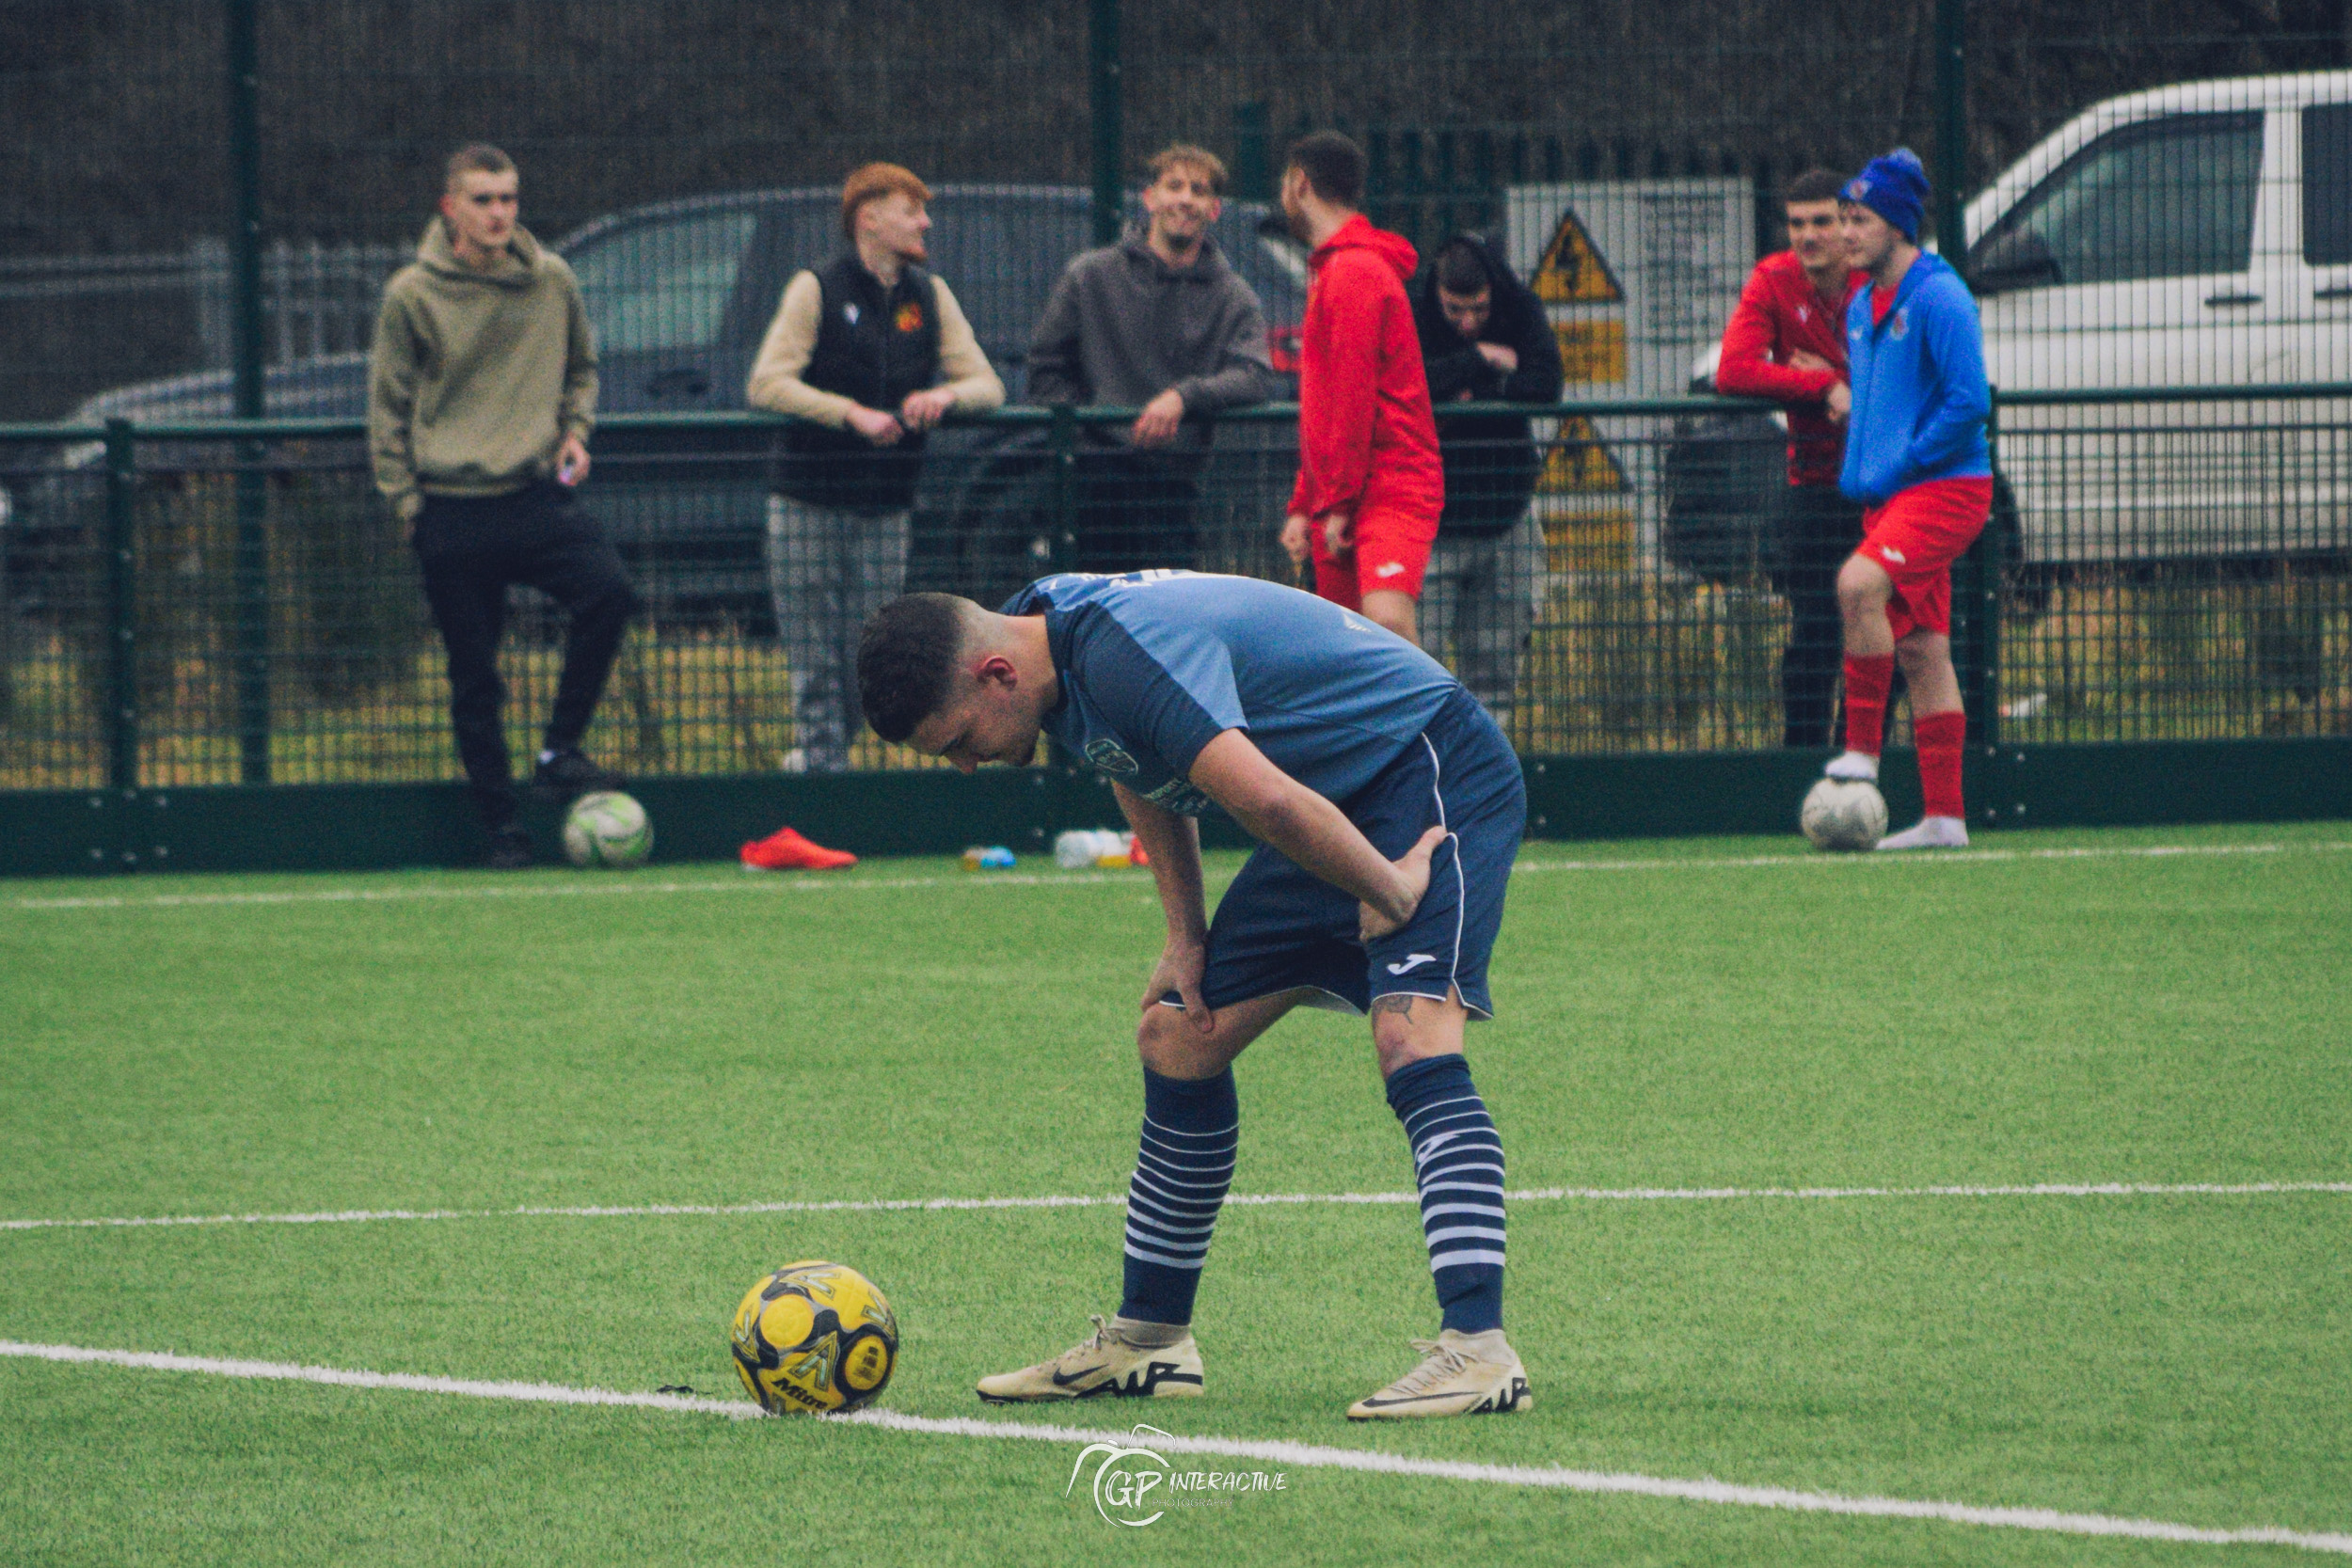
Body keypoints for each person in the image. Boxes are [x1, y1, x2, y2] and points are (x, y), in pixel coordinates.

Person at [857, 571, 1533, 1421]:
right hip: (1325, 803)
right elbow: (1136, 760)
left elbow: (1264, 797)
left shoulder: (1113, 652)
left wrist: (1394, 893)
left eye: (957, 738)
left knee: (1413, 1036)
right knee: (1178, 1035)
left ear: (995, 674)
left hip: (1424, 767)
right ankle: (1150, 1342)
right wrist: (1187, 934)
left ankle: (1479, 1349)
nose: (964, 762)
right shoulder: (1047, 640)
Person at [368, 143, 636, 869]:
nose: (500, 213)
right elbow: (387, 409)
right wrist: (407, 506)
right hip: (449, 509)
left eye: (510, 198)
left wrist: (575, 432)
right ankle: (503, 830)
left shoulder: (551, 280)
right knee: (474, 677)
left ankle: (558, 752)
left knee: (609, 592)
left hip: (532, 497)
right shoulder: (412, 295)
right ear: (449, 207)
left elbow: (583, 368)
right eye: (484, 199)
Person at [746, 163, 1005, 775]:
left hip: (889, 502)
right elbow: (767, 383)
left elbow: (985, 384)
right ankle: (818, 764)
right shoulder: (816, 288)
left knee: (874, 645)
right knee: (812, 642)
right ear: (869, 219)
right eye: (912, 210)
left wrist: (945, 398)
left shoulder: (930, 294)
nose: (925, 222)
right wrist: (849, 415)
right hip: (808, 497)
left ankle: (855, 757)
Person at [1826, 149, 1993, 850]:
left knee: (1857, 585)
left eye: (1857, 219)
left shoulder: (1940, 294)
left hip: (1946, 487)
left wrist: (1906, 458)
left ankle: (1862, 752)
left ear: (1896, 224)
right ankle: (1945, 821)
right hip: (1891, 498)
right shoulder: (1862, 304)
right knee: (1923, 649)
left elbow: (1968, 401)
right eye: (1841, 218)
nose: (1844, 233)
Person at [1025, 144, 1283, 575]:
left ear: (1214, 209)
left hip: (1176, 487)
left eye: (1198, 190)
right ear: (1150, 198)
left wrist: (1182, 399)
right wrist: (1095, 428)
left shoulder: (1233, 294)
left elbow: (1255, 375)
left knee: (1168, 619)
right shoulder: (1089, 275)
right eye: (1174, 185)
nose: (1185, 198)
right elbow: (1045, 366)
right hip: (1093, 483)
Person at [1713, 168, 1867, 749]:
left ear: (1847, 223)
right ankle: (1803, 761)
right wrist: (1823, 386)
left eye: (1822, 221)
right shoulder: (1773, 280)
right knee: (1814, 635)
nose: (1808, 236)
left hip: (1882, 483)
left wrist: (1848, 389)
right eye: (1797, 223)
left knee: (1890, 634)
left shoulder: (1875, 282)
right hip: (1814, 481)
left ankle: (1859, 751)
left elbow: (1902, 385)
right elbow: (1733, 371)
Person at [1275, 133, 1445, 645]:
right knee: (1349, 647)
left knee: (1387, 623)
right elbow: (1321, 409)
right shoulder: (1334, 269)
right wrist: (1306, 504)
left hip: (1388, 484)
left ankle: (1430, 728)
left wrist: (1339, 503)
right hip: (1344, 494)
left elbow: (1352, 400)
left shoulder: (1353, 271)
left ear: (1299, 184)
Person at [1410, 234, 1565, 732]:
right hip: (1432, 519)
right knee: (1419, 668)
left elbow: (1545, 383)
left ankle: (1486, 784)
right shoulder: (1414, 309)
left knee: (1495, 668)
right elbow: (1408, 383)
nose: (1468, 321)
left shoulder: (1520, 303)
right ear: (1438, 292)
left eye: (1478, 309)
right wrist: (1481, 359)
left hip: (1506, 513)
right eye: (1455, 310)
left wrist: (1466, 390)